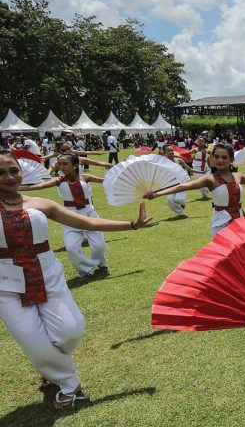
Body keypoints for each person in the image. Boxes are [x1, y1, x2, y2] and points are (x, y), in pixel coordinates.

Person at [0, 150, 152, 408]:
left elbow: (86, 223)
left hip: (48, 274)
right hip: (6, 283)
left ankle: (50, 366)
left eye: (13, 170)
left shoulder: (39, 204)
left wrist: (131, 225)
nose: (9, 177)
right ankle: (69, 384)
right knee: (31, 339)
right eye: (1, 173)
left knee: (70, 331)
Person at [144, 143, 245, 236]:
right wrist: (156, 194)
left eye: (224, 157)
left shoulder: (238, 176)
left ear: (231, 160)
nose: (220, 160)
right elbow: (182, 186)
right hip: (221, 222)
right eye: (216, 156)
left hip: (240, 219)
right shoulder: (210, 179)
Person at [19, 153, 112, 277]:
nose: (61, 167)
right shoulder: (58, 180)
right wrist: (15, 188)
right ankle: (85, 271)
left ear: (75, 165)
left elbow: (107, 181)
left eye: (65, 164)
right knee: (72, 247)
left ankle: (102, 265)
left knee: (98, 245)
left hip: (90, 214)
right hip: (69, 216)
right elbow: (39, 186)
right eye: (60, 164)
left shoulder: (85, 177)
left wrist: (121, 175)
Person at [161, 145, 205, 218]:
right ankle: (180, 213)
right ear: (165, 152)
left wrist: (201, 172)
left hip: (181, 182)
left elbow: (190, 169)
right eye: (168, 151)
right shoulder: (163, 162)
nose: (171, 152)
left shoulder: (179, 160)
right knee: (170, 199)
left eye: (171, 150)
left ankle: (182, 204)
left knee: (178, 199)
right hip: (169, 183)